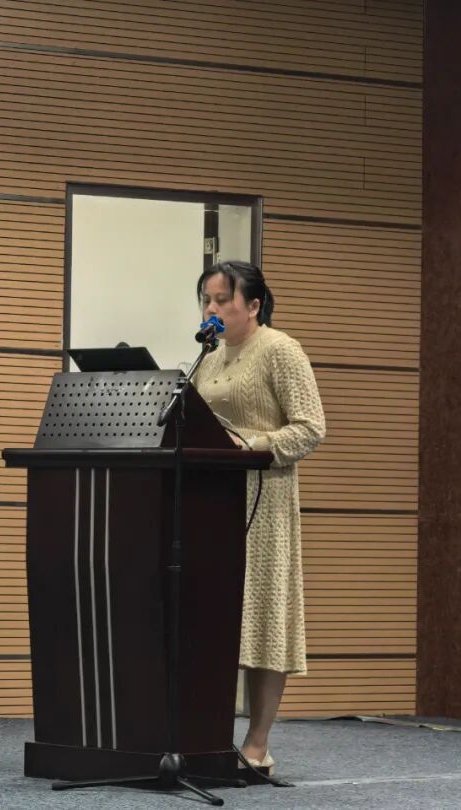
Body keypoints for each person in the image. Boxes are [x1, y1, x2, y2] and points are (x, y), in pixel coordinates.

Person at [193, 260, 326, 775]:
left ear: (253, 305)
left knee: (264, 617)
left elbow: (310, 428)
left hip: (263, 501)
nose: (211, 309)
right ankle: (203, 735)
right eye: (206, 299)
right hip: (209, 501)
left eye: (222, 299)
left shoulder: (280, 349)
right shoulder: (207, 357)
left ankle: (257, 744)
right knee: (213, 616)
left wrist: (250, 447)